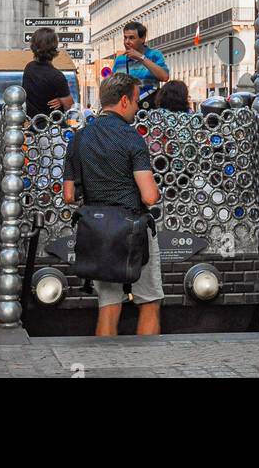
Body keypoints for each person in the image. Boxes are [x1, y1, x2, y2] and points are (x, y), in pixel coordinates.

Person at [62, 73, 162, 336]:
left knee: (108, 307)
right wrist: (156, 191)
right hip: (133, 231)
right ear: (125, 101)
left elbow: (69, 195)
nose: (138, 107)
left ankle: (104, 364)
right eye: (137, 100)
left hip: (98, 234)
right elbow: (149, 196)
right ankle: (148, 367)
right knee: (149, 302)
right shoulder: (132, 139)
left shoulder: (79, 139)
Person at [111, 21, 168, 107]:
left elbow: (164, 77)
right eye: (125, 38)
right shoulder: (119, 60)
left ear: (142, 39)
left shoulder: (154, 55)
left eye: (131, 38)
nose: (127, 42)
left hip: (148, 107)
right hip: (126, 109)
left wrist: (141, 57)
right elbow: (113, 85)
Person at [21, 28, 74, 120]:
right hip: (53, 128)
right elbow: (69, 106)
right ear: (55, 48)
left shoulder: (29, 68)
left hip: (33, 127)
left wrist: (61, 100)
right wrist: (61, 101)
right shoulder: (57, 76)